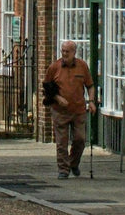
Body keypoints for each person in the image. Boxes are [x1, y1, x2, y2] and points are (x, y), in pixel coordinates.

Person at [42, 40, 96, 179]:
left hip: (78, 109)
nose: (65, 54)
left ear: (74, 52)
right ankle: (63, 170)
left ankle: (73, 163)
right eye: (63, 51)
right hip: (60, 111)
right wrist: (58, 98)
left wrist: (91, 101)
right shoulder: (54, 67)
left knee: (80, 139)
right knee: (62, 142)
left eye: (68, 51)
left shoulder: (82, 66)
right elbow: (47, 88)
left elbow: (90, 86)